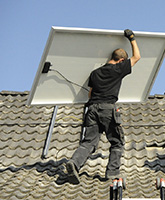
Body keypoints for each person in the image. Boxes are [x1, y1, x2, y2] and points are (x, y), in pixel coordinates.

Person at [65, 29, 141, 184]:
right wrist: (131, 38)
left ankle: (74, 163)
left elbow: (90, 94)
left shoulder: (95, 73)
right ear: (121, 61)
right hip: (108, 109)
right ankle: (112, 173)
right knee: (117, 141)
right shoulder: (119, 69)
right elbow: (137, 57)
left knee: (89, 142)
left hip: (92, 109)